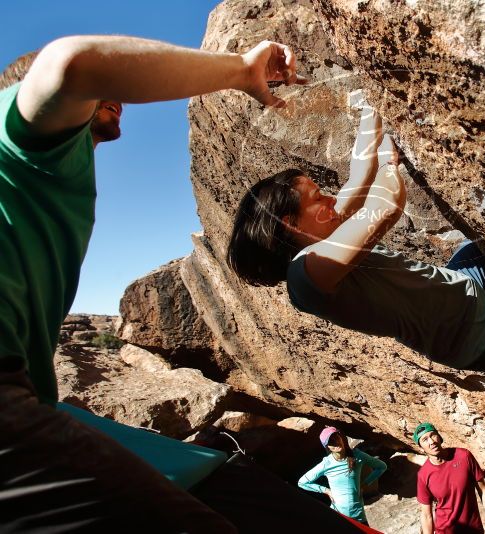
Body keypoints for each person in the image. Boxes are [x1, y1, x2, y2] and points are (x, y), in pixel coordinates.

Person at [0, 35, 369, 533]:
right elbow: (73, 64)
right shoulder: (19, 140)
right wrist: (241, 70)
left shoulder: (42, 175)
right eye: (99, 93)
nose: (116, 97)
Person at [226, 102, 485, 430]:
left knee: (480, 247)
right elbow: (385, 204)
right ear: (290, 223)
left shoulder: (321, 238)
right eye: (317, 197)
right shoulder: (307, 272)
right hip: (473, 332)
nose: (329, 199)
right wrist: (393, 166)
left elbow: (358, 177)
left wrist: (369, 113)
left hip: (464, 288)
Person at [413, 423, 485, 534]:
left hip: (473, 528)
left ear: (439, 436)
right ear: (421, 447)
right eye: (425, 440)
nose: (431, 442)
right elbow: (426, 515)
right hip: (445, 530)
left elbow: (483, 490)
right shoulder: (423, 475)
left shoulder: (463, 456)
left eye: (433, 435)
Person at [298, 426, 388, 525]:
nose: (336, 442)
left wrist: (365, 485)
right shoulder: (326, 463)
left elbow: (381, 467)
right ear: (327, 447)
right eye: (331, 442)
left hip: (358, 516)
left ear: (341, 437)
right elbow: (302, 482)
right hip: (337, 516)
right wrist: (326, 490)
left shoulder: (357, 455)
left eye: (336, 437)